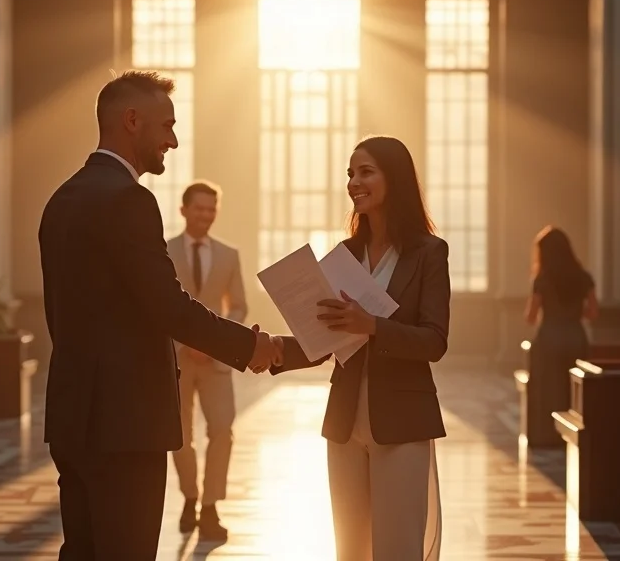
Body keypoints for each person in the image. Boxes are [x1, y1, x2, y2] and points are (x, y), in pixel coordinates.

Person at [38, 70, 279, 560]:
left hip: (71, 417)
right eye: (166, 125)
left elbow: (61, 314)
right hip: (125, 424)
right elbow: (168, 305)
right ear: (132, 121)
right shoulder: (130, 199)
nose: (172, 139)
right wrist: (250, 347)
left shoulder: (61, 199)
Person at [268, 135, 448, 561]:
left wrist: (373, 327)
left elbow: (435, 340)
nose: (354, 182)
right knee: (350, 553)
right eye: (350, 173)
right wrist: (274, 349)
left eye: (366, 171)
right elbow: (329, 338)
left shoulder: (428, 253)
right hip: (345, 421)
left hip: (403, 422)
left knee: (397, 552)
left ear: (395, 179)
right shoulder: (346, 255)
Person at [166, 181, 247, 541]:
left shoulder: (229, 255)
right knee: (179, 436)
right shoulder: (163, 252)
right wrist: (187, 342)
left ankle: (211, 506)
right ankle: (189, 498)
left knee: (222, 431)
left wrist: (216, 342)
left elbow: (240, 305)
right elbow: (157, 305)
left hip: (216, 362)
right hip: (177, 359)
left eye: (211, 209)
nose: (205, 215)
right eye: (199, 208)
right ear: (183, 210)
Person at [523, 226, 598, 415]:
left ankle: (550, 433)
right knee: (574, 388)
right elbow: (593, 312)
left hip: (549, 338)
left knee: (549, 389)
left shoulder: (541, 279)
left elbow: (531, 317)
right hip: (575, 336)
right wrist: (574, 313)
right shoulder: (583, 277)